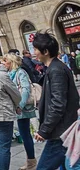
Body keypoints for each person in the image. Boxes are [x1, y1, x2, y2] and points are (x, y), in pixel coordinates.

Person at [33, 32, 80, 169]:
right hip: (62, 129)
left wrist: (44, 130)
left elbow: (58, 104)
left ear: (45, 51)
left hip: (60, 132)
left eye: (36, 49)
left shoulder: (56, 70)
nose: (34, 52)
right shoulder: (54, 68)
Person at [2, 53, 37, 170]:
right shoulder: (9, 73)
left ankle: (31, 161)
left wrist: (20, 106)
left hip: (22, 108)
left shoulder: (20, 72)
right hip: (16, 108)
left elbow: (25, 90)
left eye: (5, 61)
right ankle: (30, 161)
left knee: (25, 134)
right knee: (24, 133)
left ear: (11, 62)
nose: (3, 63)